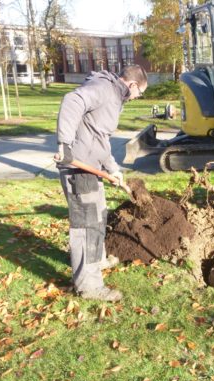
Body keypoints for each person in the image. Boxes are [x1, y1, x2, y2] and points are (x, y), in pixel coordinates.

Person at [53, 65, 148, 302]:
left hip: (93, 168)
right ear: (133, 85)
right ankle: (89, 286)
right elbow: (72, 100)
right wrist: (64, 144)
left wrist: (113, 169)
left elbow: (100, 138)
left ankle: (98, 260)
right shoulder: (104, 89)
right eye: (140, 93)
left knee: (98, 217)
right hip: (79, 168)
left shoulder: (113, 97)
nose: (138, 97)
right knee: (87, 225)